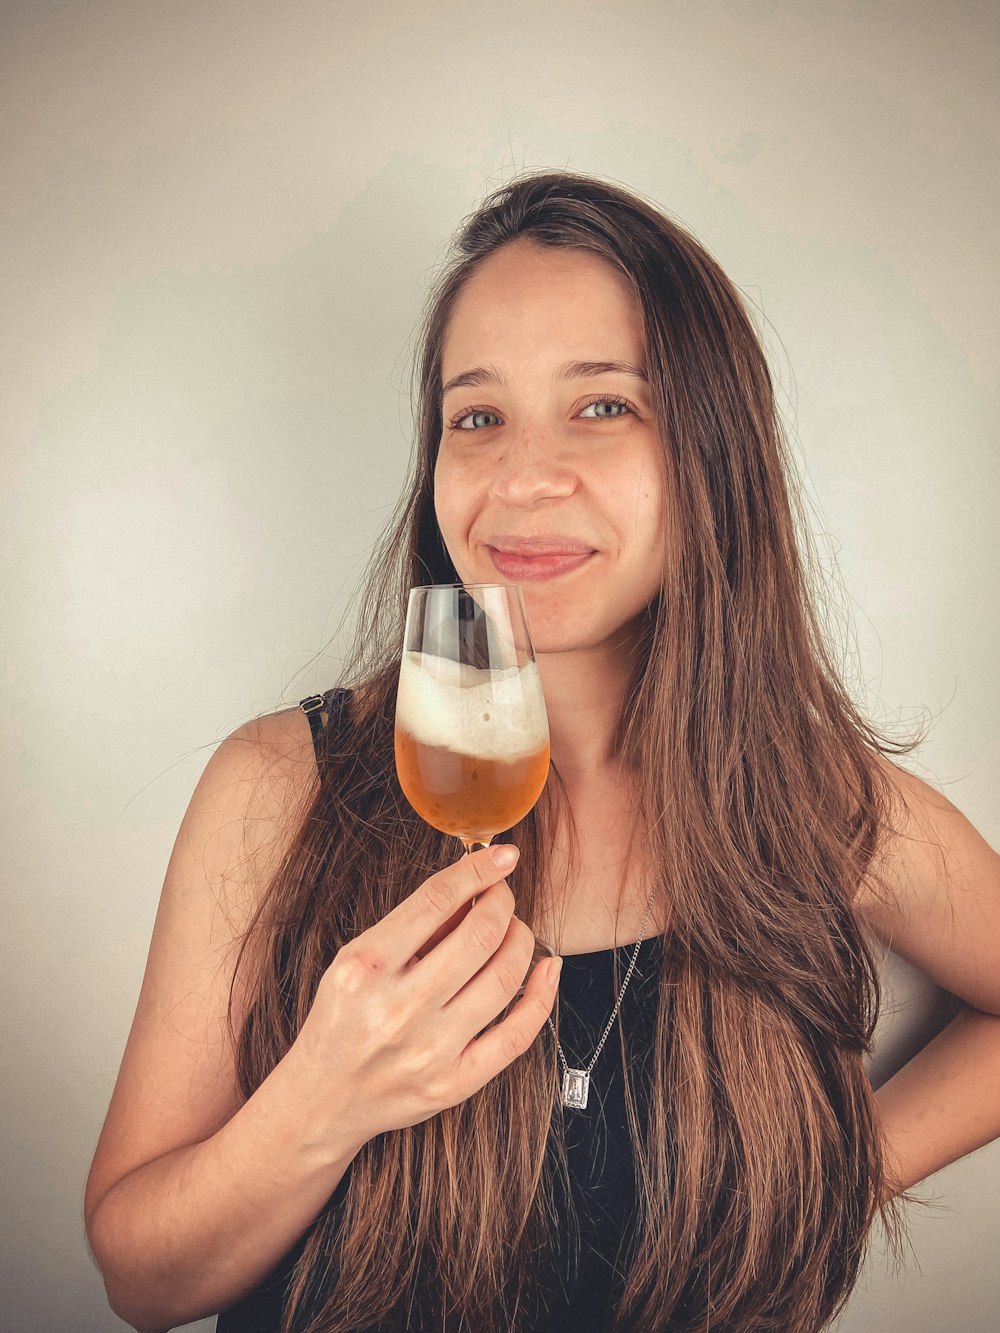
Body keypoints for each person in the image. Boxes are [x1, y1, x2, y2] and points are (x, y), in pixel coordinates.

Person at [85, 172, 1000, 1333]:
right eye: (477, 417)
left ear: (712, 455)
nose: (521, 477)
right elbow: (139, 1283)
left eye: (602, 405)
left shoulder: (816, 801)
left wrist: (827, 1181)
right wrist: (320, 1101)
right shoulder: (278, 789)